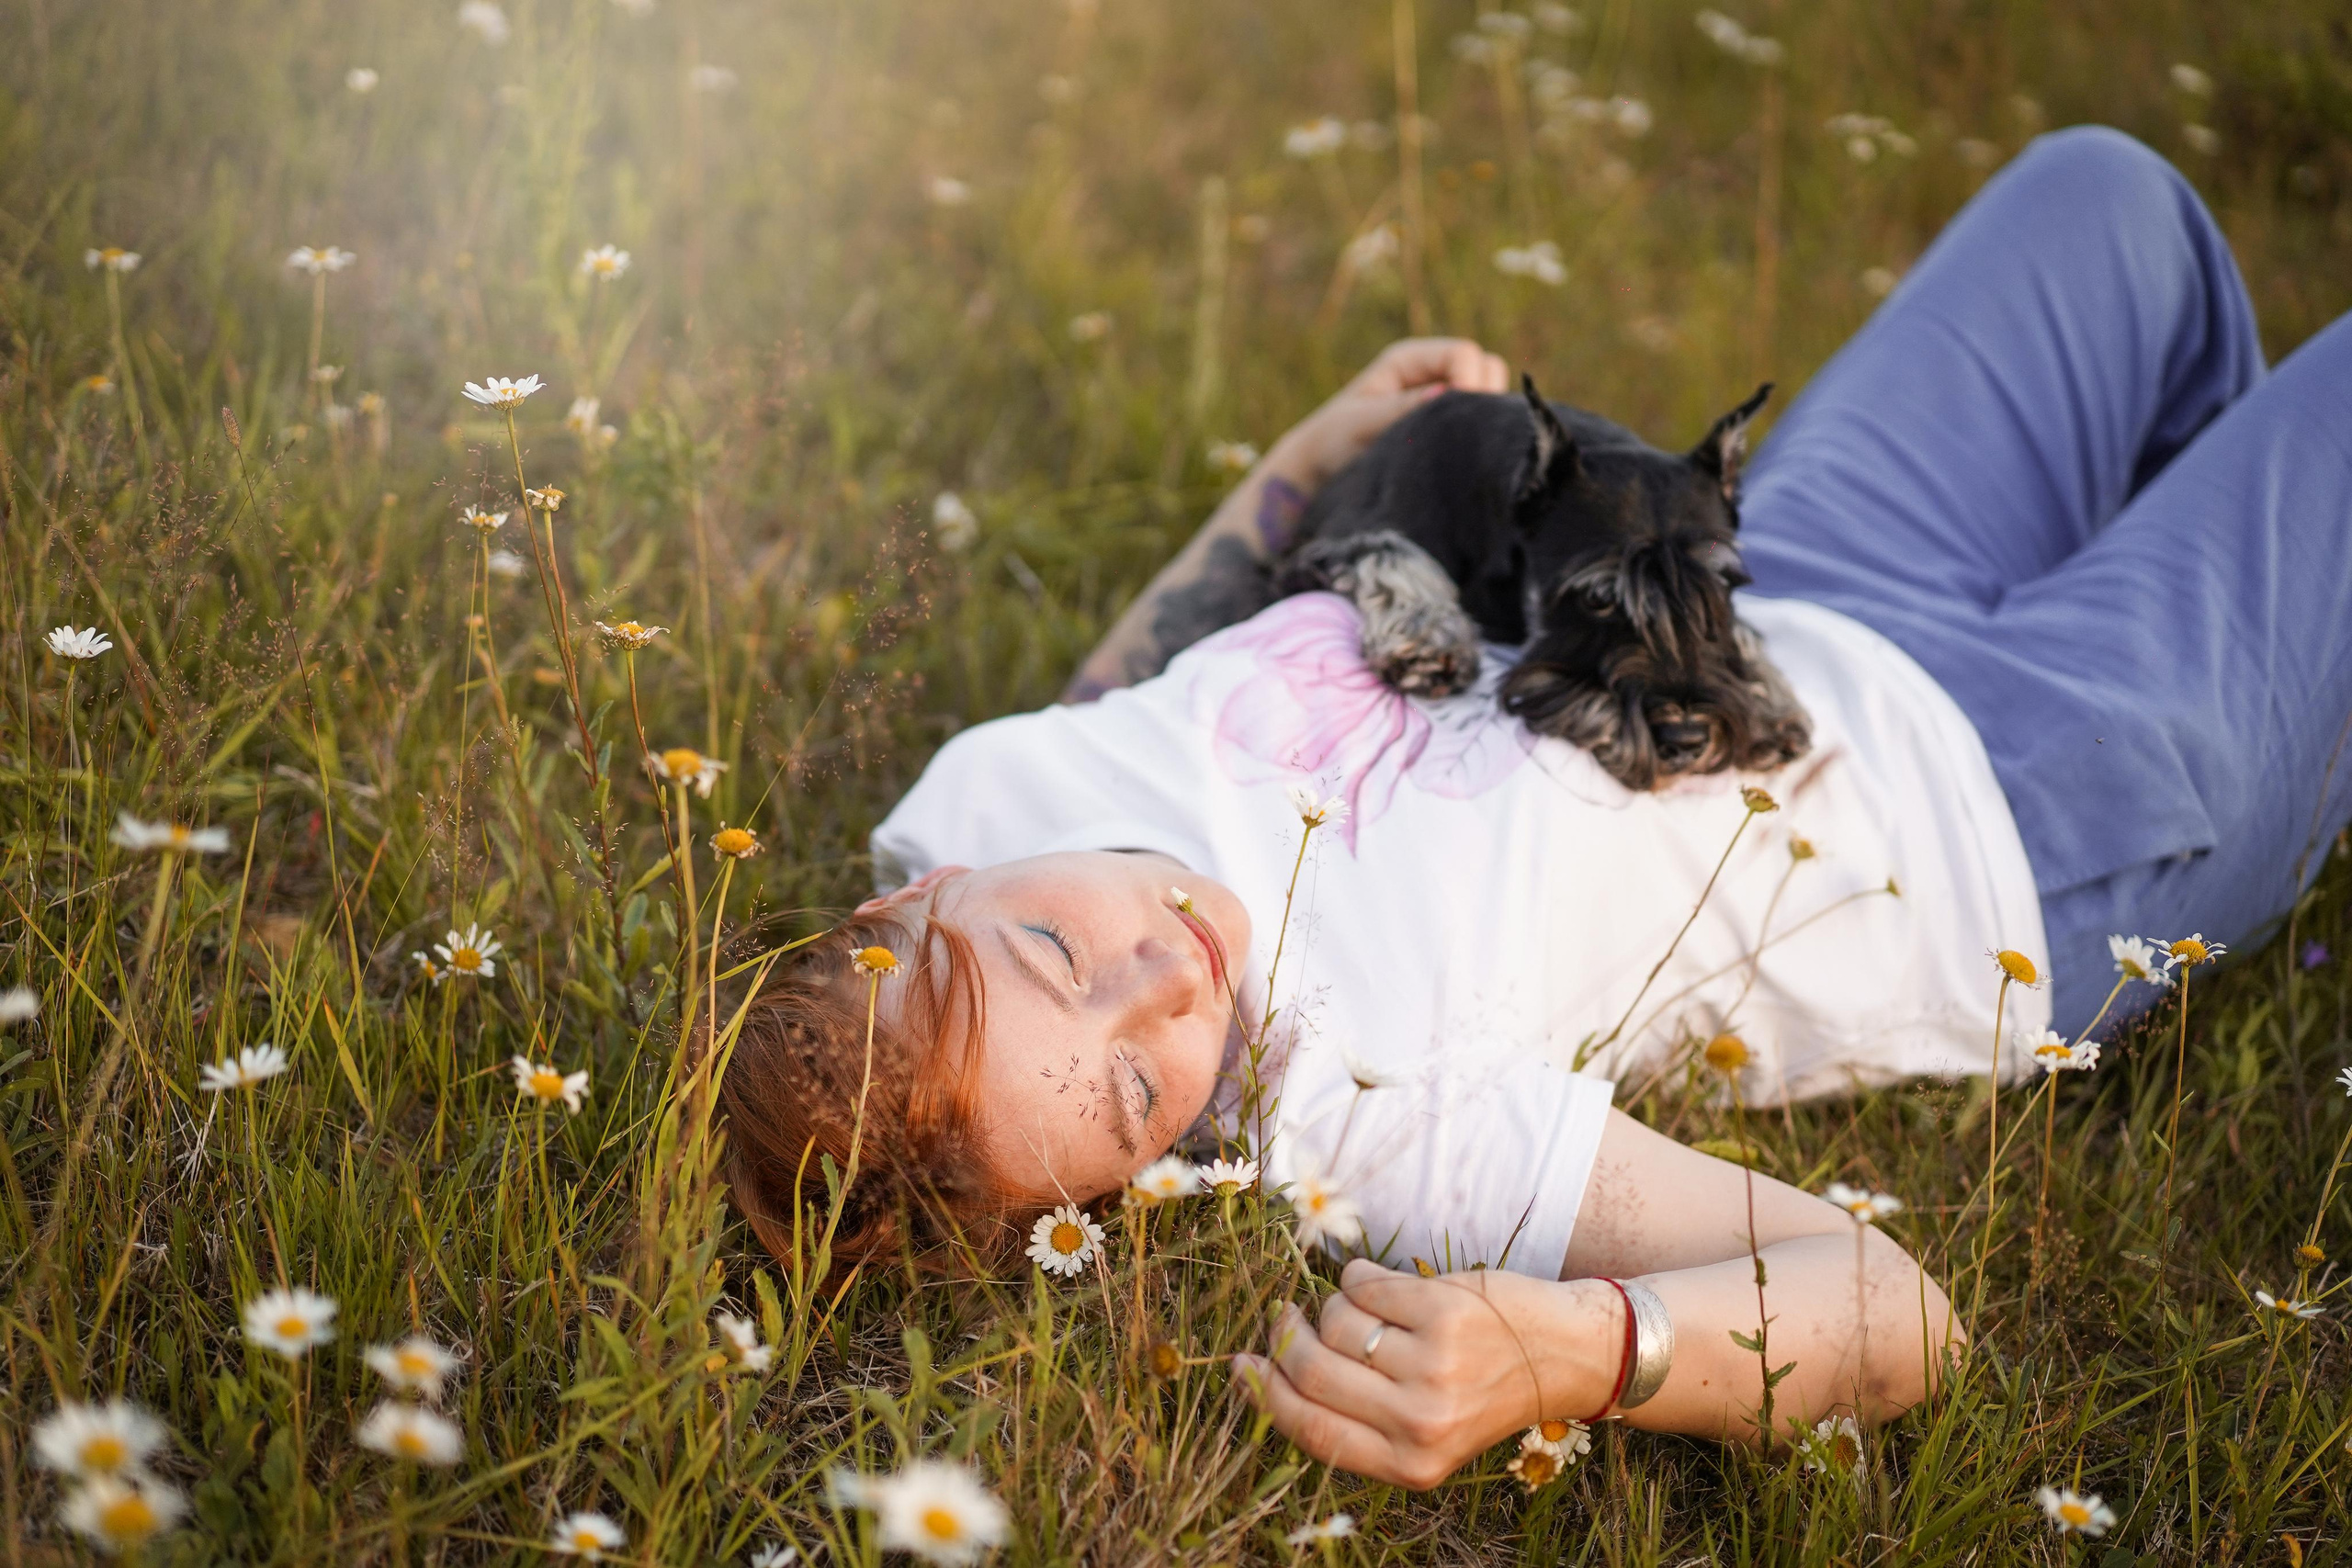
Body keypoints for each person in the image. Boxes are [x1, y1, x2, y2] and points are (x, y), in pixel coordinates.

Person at [716, 127, 2352, 1487]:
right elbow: (1902, 1311)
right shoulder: (1370, 1109)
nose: (1170, 979)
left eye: (1060, 952)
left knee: (2111, 197)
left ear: (915, 898)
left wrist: (1311, 457)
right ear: (1135, 1182)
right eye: (1142, 1095)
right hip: (2008, 818)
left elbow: (1127, 691)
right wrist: (1580, 1350)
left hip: (1774, 600)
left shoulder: (986, 796)